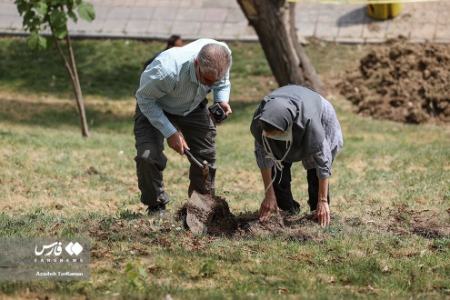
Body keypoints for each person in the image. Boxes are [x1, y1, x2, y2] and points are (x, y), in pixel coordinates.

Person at [134, 38, 232, 214]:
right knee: (147, 156)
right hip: (155, 106)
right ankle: (156, 205)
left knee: (205, 158)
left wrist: (221, 100)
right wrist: (170, 132)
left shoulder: (223, 54)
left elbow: (222, 83)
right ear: (196, 63)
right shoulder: (166, 71)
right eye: (206, 80)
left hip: (192, 107)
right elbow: (144, 99)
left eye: (214, 82)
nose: (210, 85)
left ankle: (201, 207)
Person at [250, 85, 343, 227]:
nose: (273, 138)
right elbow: (264, 158)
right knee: (278, 167)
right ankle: (288, 210)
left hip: (317, 115)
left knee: (314, 170)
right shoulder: (261, 121)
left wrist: (323, 200)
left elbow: (323, 161)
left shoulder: (310, 123)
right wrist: (269, 195)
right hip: (282, 119)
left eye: (277, 134)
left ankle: (317, 212)